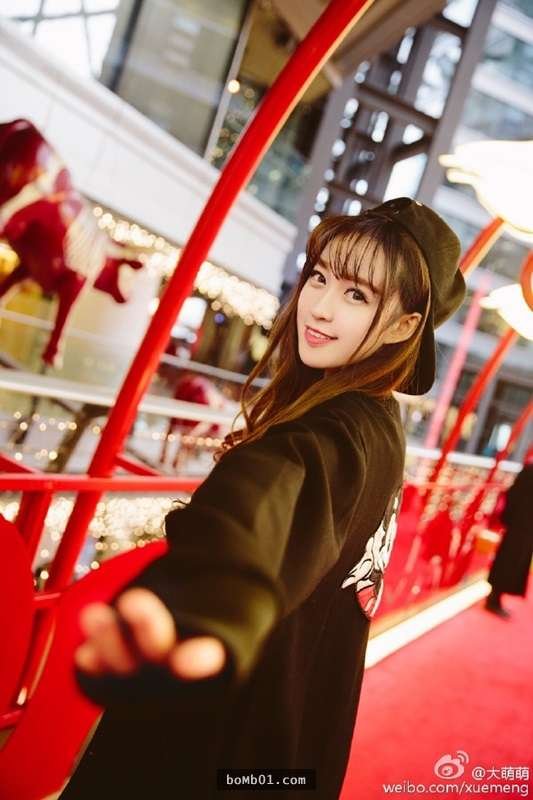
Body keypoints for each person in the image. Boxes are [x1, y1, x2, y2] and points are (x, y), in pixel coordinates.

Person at [59, 198, 466, 800]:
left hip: (212, 755)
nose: (320, 306)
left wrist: (204, 605)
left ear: (405, 326)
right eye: (320, 277)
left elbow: (264, 502)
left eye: (357, 295)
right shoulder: (379, 424)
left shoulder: (330, 434)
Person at [485, 449, 533, 619]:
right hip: (519, 527)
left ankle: (496, 598)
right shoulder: (529, 471)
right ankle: (494, 598)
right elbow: (514, 497)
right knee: (509, 561)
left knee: (514, 562)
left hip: (524, 527)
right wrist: (510, 520)